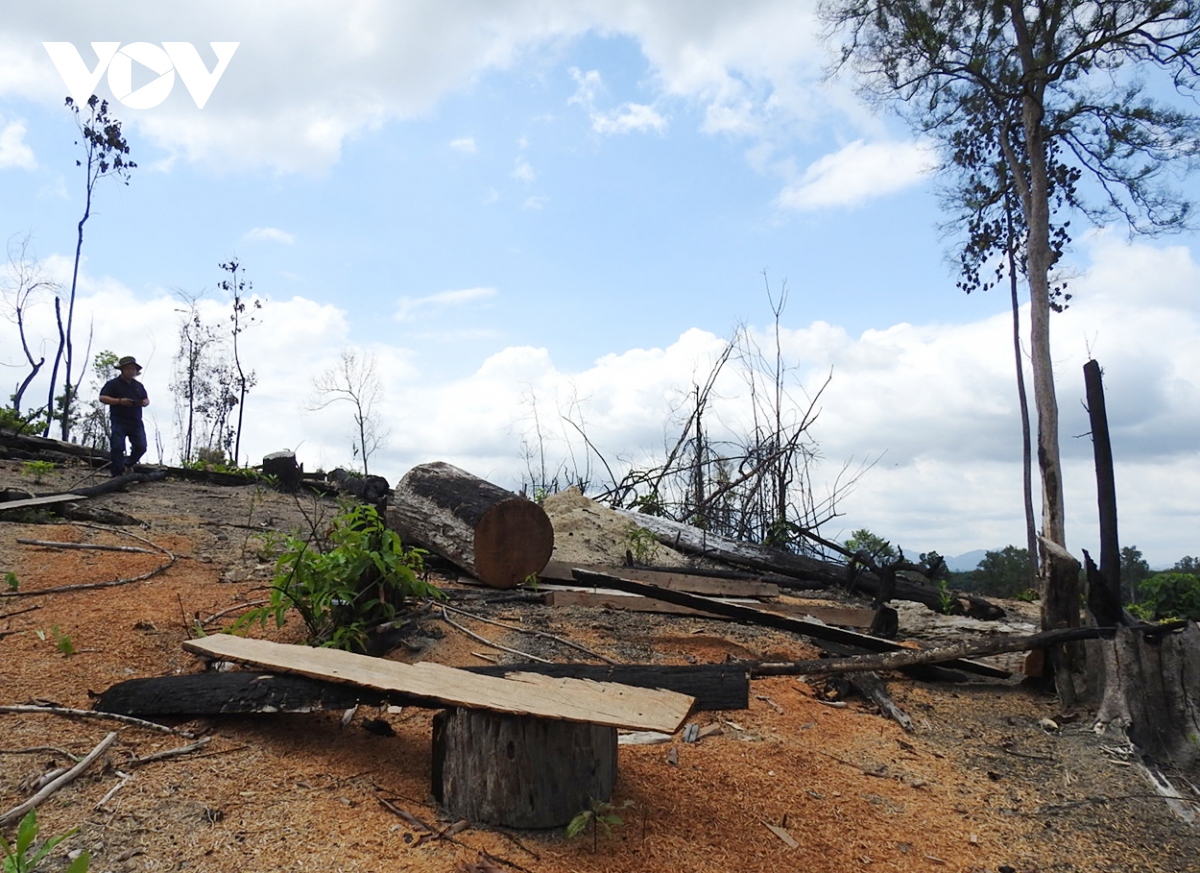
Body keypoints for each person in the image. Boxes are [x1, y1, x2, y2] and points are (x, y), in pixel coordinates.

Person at [99, 355, 150, 477]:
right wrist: (119, 401)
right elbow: (102, 398)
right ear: (122, 369)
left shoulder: (138, 386)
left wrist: (145, 402)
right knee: (117, 447)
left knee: (141, 446)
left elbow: (146, 398)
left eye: (133, 369)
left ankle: (128, 463)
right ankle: (116, 476)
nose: (131, 371)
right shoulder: (113, 384)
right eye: (128, 369)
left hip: (136, 421)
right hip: (119, 420)